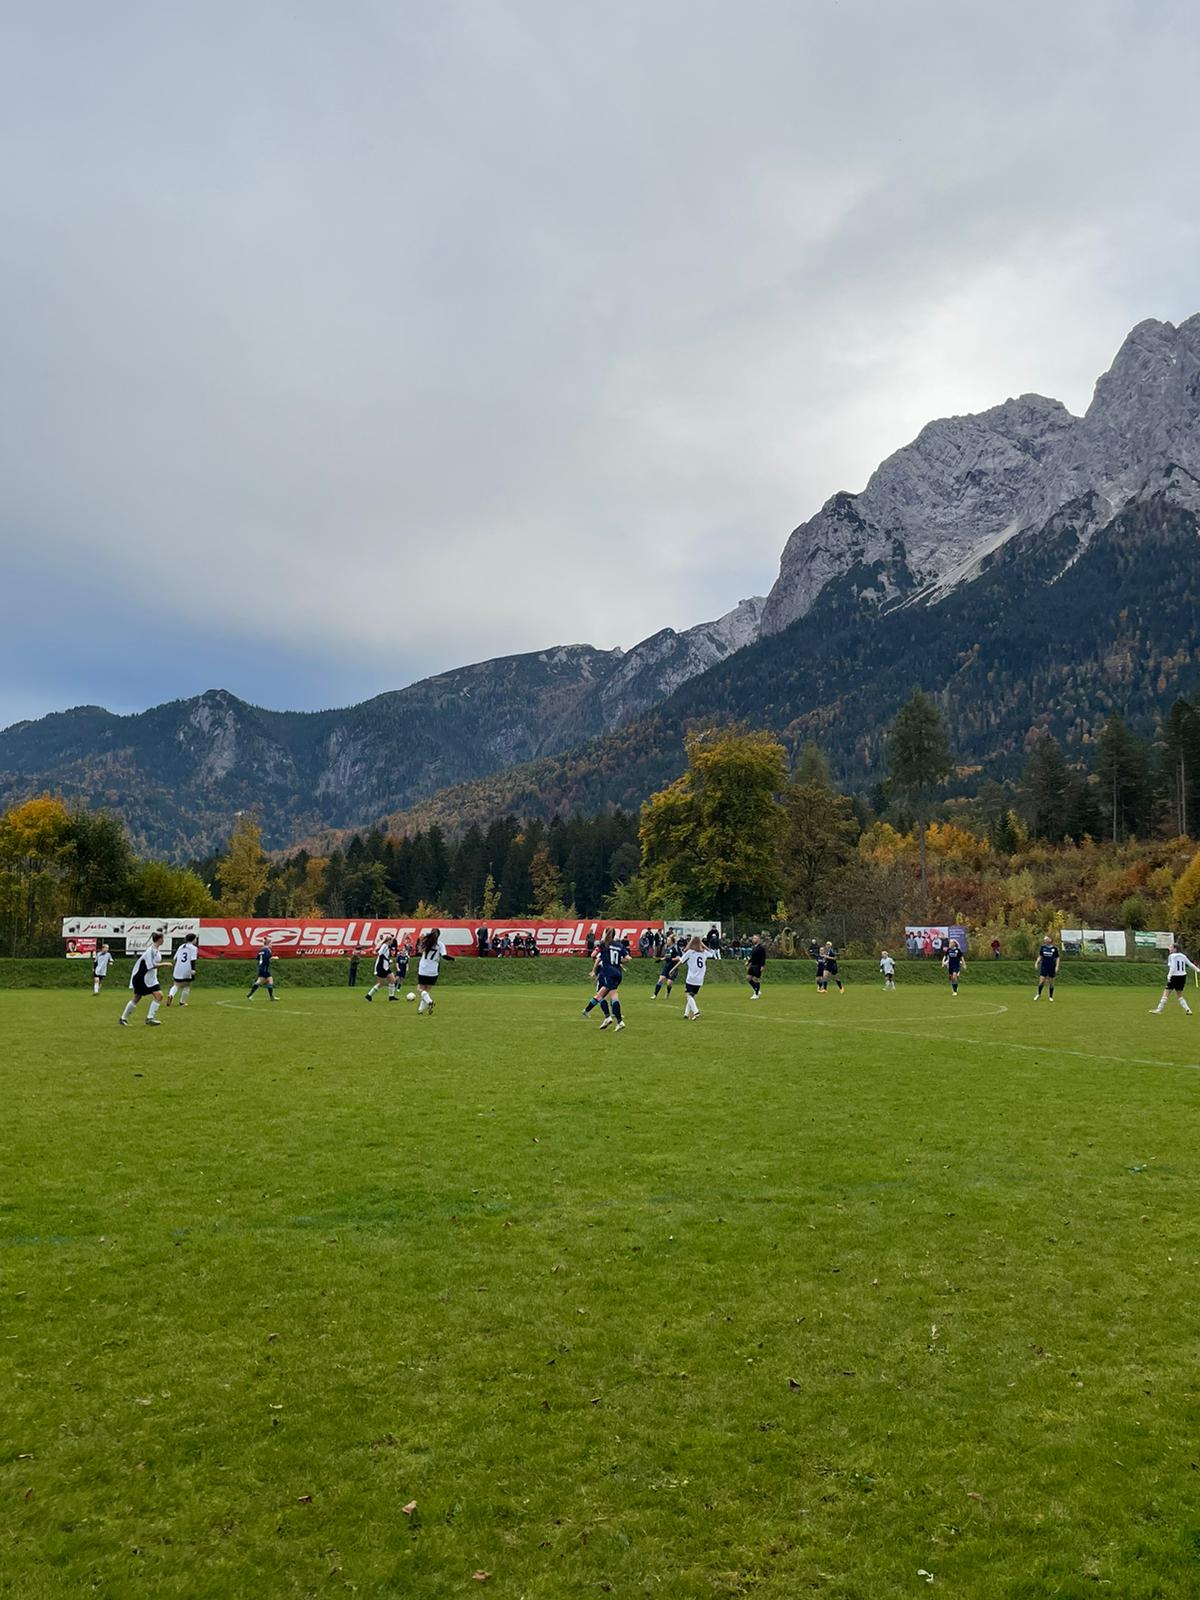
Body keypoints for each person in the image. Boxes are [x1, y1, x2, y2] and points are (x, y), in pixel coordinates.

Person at [582, 927, 628, 1031]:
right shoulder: (619, 945)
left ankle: (615, 1019)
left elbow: (594, 955)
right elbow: (628, 958)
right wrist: (619, 962)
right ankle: (590, 1012)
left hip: (606, 973)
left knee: (604, 995)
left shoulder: (603, 944)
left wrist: (594, 970)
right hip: (617, 973)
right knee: (605, 994)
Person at [120, 932, 166, 1026]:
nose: (163, 940)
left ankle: (147, 1018)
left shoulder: (155, 950)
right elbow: (150, 965)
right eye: (163, 938)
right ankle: (147, 1018)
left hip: (150, 978)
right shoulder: (150, 951)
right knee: (142, 997)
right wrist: (164, 964)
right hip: (142, 978)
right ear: (160, 939)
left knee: (154, 996)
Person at [1152, 945, 1199, 1015]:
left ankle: (1159, 1010)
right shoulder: (1183, 956)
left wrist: (1169, 975)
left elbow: (1173, 967)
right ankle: (1188, 1010)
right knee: (1179, 994)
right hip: (1182, 976)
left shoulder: (1171, 956)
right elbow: (1190, 964)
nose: (1169, 949)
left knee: (1166, 992)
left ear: (1175, 949)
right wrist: (1198, 970)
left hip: (1174, 976)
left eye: (1171, 947)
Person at [417, 928, 454, 1013]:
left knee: (420, 989)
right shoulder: (440, 944)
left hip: (423, 969)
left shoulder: (426, 942)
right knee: (427, 990)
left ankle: (429, 1001)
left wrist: (421, 941)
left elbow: (419, 951)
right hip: (433, 970)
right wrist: (452, 959)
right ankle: (420, 1010)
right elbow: (444, 956)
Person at [672, 935, 709, 1020]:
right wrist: (703, 945)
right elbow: (711, 952)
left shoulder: (690, 952)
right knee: (691, 996)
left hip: (691, 978)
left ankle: (696, 1012)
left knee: (688, 995)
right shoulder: (704, 953)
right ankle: (686, 1014)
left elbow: (681, 961)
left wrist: (673, 969)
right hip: (700, 979)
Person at [166, 933, 199, 1007]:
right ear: (193, 939)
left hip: (178, 968)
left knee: (176, 985)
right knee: (187, 986)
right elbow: (193, 959)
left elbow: (175, 958)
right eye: (195, 939)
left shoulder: (181, 946)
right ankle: (182, 1002)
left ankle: (170, 995)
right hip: (187, 968)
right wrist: (193, 969)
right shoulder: (193, 948)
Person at [652, 935, 681, 1000]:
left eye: (668, 940)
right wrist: (660, 959)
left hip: (673, 968)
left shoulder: (675, 948)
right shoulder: (668, 948)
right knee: (661, 979)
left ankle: (667, 993)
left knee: (669, 983)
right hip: (667, 967)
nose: (667, 941)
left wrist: (671, 959)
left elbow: (679, 958)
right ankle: (655, 995)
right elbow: (667, 957)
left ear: (671, 941)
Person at [1034, 937, 1060, 1002]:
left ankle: (1050, 997)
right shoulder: (1043, 948)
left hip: (1051, 967)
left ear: (1050, 940)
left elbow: (1057, 958)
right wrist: (1036, 963)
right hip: (1044, 967)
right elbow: (1040, 956)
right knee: (1041, 981)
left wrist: (1057, 966)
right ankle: (1038, 994)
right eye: (1045, 940)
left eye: (1047, 939)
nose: (1045, 940)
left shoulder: (1054, 948)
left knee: (1051, 982)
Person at [746, 933, 767, 1000]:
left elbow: (763, 957)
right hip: (753, 965)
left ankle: (756, 994)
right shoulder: (754, 947)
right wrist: (748, 962)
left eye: (755, 938)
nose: (753, 939)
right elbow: (753, 957)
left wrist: (762, 966)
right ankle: (757, 990)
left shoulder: (761, 948)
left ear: (758, 939)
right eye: (753, 938)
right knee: (748, 978)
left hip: (758, 965)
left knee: (755, 979)